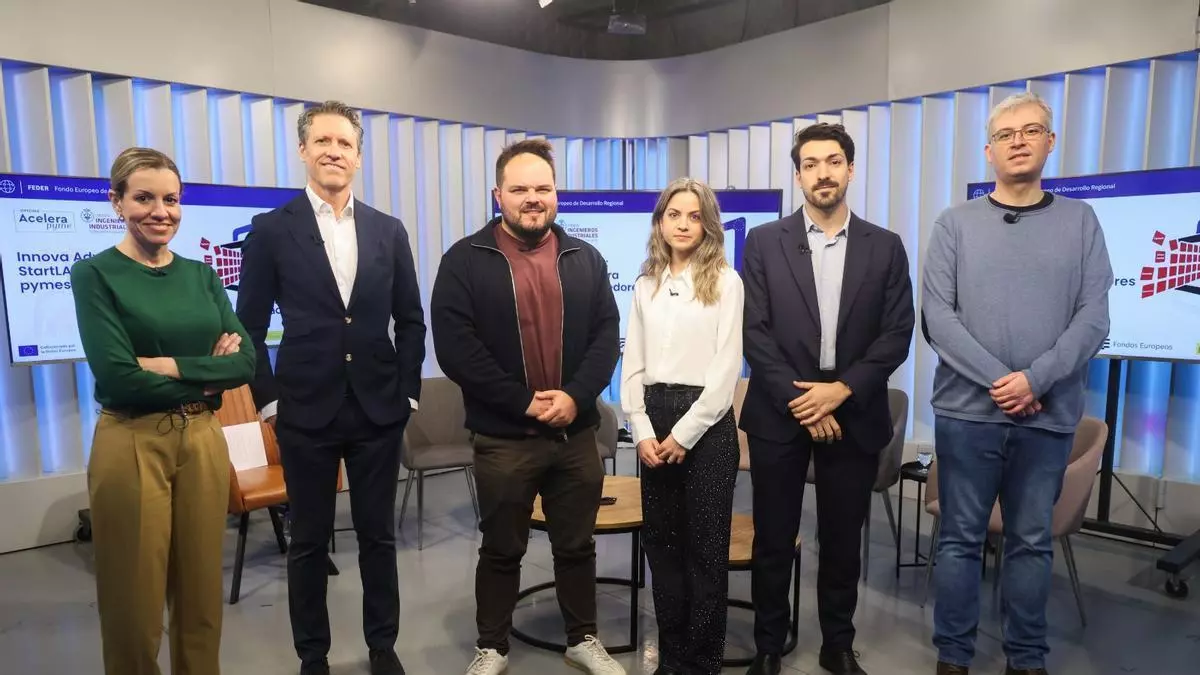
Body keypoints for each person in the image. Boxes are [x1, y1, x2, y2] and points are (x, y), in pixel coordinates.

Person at [922, 93, 1112, 675]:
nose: (1018, 141)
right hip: (966, 416)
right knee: (959, 539)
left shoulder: (1081, 222)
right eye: (1006, 134)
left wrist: (1035, 380)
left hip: (1047, 418)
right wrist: (1003, 382)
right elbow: (937, 318)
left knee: (1031, 541)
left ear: (1050, 142)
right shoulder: (954, 224)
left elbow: (1094, 318)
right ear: (989, 151)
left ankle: (1026, 658)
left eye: (1031, 131)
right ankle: (953, 657)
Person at [236, 100, 425, 675]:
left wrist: (407, 393)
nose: (333, 151)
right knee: (310, 541)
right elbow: (247, 326)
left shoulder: (388, 230)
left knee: (378, 538)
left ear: (358, 157)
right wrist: (269, 401)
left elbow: (410, 319)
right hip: (303, 409)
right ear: (303, 150)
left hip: (377, 410)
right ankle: (312, 654)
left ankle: (382, 645)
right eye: (322, 141)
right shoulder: (272, 230)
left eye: (344, 143)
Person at [431, 139, 624, 675]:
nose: (533, 198)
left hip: (575, 433)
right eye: (520, 189)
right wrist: (523, 402)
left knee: (577, 545)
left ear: (556, 194)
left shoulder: (584, 258)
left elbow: (606, 335)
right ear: (499, 195)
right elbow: (456, 349)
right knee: (501, 547)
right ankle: (492, 647)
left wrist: (576, 397)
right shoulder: (465, 260)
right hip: (504, 438)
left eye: (543, 188)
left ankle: (582, 639)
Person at [71, 146, 256, 674]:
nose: (160, 212)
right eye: (144, 198)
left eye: (171, 200)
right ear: (117, 202)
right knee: (134, 603)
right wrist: (208, 373)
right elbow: (118, 377)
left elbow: (245, 361)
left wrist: (169, 366)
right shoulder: (95, 275)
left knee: (201, 595)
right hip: (133, 441)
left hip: (203, 438)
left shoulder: (202, 275)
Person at [740, 123, 915, 675]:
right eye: (811, 164)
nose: (823, 173)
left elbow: (897, 333)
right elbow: (754, 332)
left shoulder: (885, 247)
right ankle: (769, 645)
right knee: (773, 538)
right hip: (780, 412)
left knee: (842, 540)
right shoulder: (764, 241)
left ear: (850, 169)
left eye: (833, 161)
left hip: (853, 411)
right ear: (798, 175)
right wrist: (805, 402)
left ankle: (837, 644)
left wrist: (841, 391)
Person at [619, 178, 744, 675]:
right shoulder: (645, 285)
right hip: (654, 417)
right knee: (662, 547)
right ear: (660, 222)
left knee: (705, 553)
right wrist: (642, 429)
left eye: (695, 216)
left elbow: (725, 373)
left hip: (706, 424)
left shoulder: (727, 282)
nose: (684, 225)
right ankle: (671, 659)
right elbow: (633, 366)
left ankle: (702, 663)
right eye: (675, 215)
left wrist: (682, 436)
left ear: (708, 224)